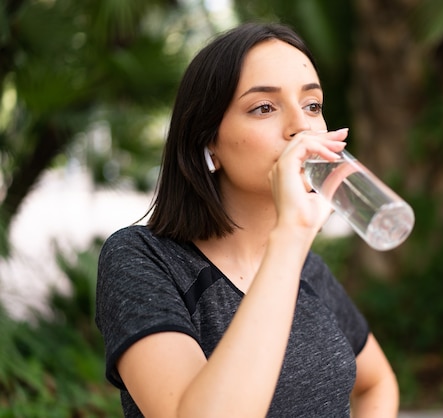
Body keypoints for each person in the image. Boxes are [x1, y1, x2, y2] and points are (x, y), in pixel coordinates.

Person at [95, 22, 399, 417]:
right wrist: (291, 236)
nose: (301, 127)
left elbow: (377, 383)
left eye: (312, 105)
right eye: (264, 108)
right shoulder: (143, 259)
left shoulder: (308, 270)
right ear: (209, 142)